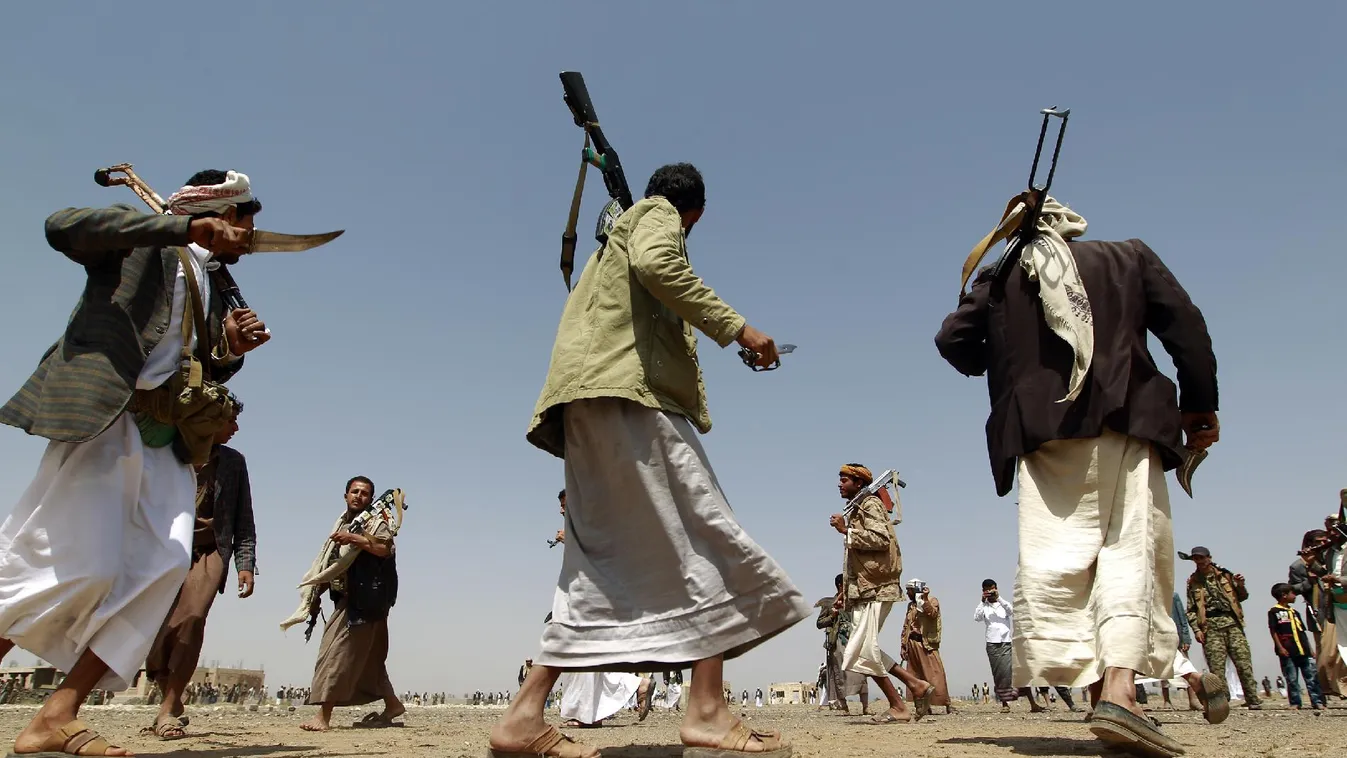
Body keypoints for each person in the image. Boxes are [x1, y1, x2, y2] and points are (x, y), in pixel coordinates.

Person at [490, 164, 809, 758]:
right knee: (705, 531)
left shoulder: (618, 236)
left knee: (598, 566)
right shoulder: (656, 218)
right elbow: (662, 267)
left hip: (588, 401)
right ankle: (708, 711)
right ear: (697, 214)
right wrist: (742, 331)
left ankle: (522, 718)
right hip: (625, 398)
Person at [936, 191, 1220, 757]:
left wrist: (1007, 359)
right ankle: (1119, 691)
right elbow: (1186, 327)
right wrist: (1199, 406)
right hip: (1126, 419)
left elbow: (953, 340)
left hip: (1042, 436)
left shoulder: (1002, 274)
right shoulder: (1127, 257)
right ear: (1071, 228)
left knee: (1059, 563)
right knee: (1126, 551)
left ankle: (1103, 699)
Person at [0, 169, 270, 756]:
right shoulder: (145, 239)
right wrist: (174, 227)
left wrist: (227, 347)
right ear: (216, 213)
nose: (250, 236)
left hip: (164, 436)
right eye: (244, 221)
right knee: (67, 562)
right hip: (108, 417)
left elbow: (187, 362)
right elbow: (62, 227)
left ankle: (56, 716)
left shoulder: (207, 279)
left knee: (165, 564)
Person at [142, 395, 257, 739]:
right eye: (228, 421)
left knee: (191, 618)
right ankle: (171, 695)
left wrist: (245, 563)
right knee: (157, 629)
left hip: (209, 552)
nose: (235, 428)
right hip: (164, 548)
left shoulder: (233, 462)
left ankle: (168, 708)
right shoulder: (167, 452)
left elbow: (243, 518)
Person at [299, 476, 404, 731]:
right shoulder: (344, 524)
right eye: (354, 491)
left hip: (366, 602)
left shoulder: (375, 523)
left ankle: (323, 716)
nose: (359, 496)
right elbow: (333, 565)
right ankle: (392, 705)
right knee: (369, 660)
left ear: (371, 498)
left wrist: (355, 539)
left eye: (365, 493)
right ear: (345, 495)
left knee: (336, 653)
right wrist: (314, 598)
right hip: (350, 598)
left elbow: (384, 548)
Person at [832, 464, 934, 724]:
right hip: (866, 589)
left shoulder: (870, 505)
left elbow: (881, 539)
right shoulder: (860, 507)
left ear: (858, 482)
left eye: (844, 480)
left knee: (862, 649)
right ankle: (914, 686)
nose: (839, 484)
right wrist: (845, 590)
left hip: (877, 588)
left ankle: (899, 704)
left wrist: (847, 531)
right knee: (863, 649)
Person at [1183, 547, 1260, 710]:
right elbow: (1191, 609)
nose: (1200, 562)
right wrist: (1196, 630)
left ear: (1209, 558)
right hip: (1210, 627)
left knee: (1243, 663)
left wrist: (1240, 585)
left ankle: (1252, 699)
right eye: (1196, 559)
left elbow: (1242, 597)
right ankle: (1223, 702)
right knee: (1216, 668)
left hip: (1232, 624)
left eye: (1202, 558)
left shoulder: (1225, 575)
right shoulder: (1193, 582)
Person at [816, 574, 869, 715]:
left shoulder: (854, 602)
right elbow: (819, 623)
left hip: (855, 639)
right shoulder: (829, 603)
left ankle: (866, 707)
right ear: (841, 585)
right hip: (838, 641)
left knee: (861, 672)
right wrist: (832, 616)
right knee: (840, 674)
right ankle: (844, 707)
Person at [1269, 583, 1326, 710]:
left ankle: (1317, 701)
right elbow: (1273, 631)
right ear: (1284, 595)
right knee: (1292, 679)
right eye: (1292, 593)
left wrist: (1310, 649)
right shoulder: (1274, 612)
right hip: (1288, 652)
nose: (1295, 596)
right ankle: (1295, 702)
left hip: (1303, 651)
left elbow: (1302, 632)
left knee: (1311, 677)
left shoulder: (1295, 612)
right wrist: (1280, 648)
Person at [899, 579, 953, 715]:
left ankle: (946, 704)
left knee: (936, 674)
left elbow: (932, 614)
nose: (907, 593)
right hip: (912, 643)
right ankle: (923, 707)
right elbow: (906, 626)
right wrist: (903, 646)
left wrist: (925, 598)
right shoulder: (911, 606)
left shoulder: (932, 601)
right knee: (916, 675)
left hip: (927, 643)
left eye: (909, 590)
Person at [974, 580, 1024, 713]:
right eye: (986, 590)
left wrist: (998, 597)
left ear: (995, 588)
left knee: (1009, 672)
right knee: (999, 674)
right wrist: (982, 601)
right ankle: (1004, 703)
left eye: (991, 589)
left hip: (1006, 642)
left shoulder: (1003, 604)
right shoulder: (984, 606)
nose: (989, 592)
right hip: (992, 643)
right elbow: (977, 617)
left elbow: (1011, 611)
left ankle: (1017, 696)